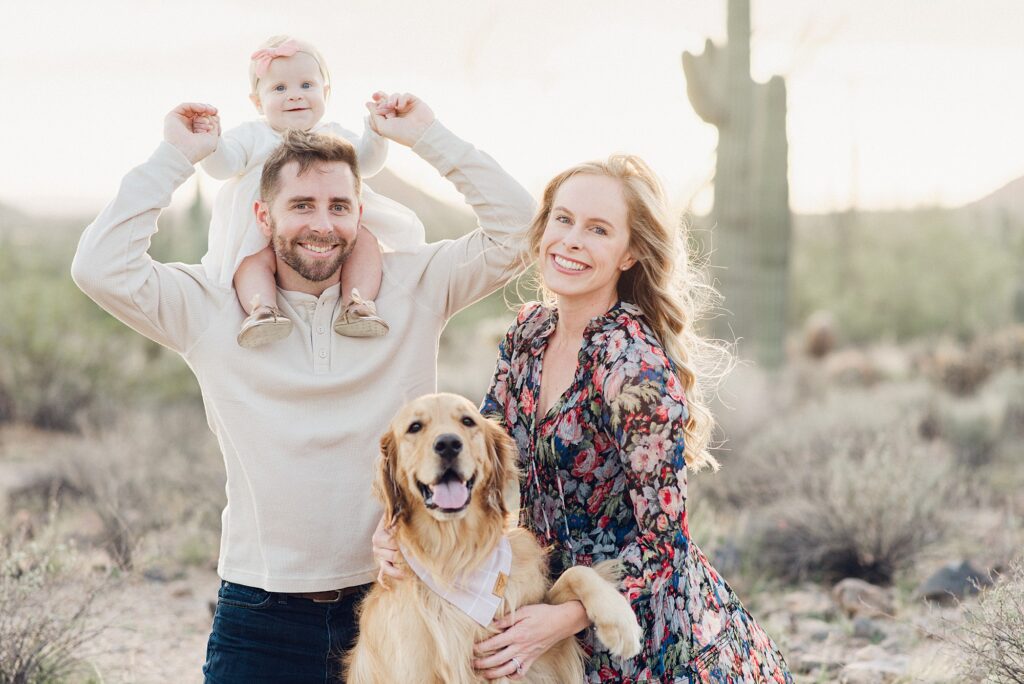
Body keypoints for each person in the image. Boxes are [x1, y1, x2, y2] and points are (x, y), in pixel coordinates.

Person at [72, 92, 535, 682]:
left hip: (401, 598)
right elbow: (98, 267)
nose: (323, 224)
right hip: (262, 613)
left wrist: (429, 137)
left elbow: (523, 231)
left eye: (340, 205)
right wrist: (175, 157)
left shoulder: (412, 286)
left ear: (361, 213)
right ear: (264, 216)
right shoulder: (211, 306)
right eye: (302, 205)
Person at [377, 155, 793, 681]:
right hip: (539, 597)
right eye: (563, 219)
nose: (572, 240)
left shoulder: (633, 370)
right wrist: (393, 524)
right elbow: (477, 450)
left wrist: (565, 619)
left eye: (598, 229)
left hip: (639, 630)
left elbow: (665, 544)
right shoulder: (528, 337)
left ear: (630, 253)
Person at [201, 35, 426, 347]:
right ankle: (262, 310)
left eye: (306, 85)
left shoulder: (332, 134)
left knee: (365, 241)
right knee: (253, 258)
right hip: (260, 225)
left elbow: (367, 163)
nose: (295, 96)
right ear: (257, 101)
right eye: (279, 88)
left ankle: (357, 305)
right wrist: (211, 143)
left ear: (325, 92)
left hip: (327, 222)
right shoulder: (252, 135)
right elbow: (223, 166)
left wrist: (376, 132)